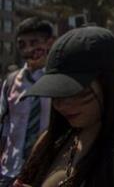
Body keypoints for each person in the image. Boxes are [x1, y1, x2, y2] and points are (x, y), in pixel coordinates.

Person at [14, 26, 114, 187]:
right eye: (56, 93)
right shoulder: (51, 139)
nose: (62, 105)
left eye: (76, 92)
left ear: (109, 85)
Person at [0, 18, 55, 186]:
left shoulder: (58, 81)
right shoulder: (11, 82)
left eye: (34, 42)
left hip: (45, 170)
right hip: (10, 170)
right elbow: (4, 124)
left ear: (49, 43)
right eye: (22, 44)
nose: (28, 49)